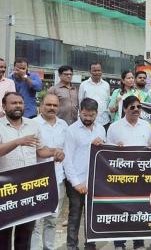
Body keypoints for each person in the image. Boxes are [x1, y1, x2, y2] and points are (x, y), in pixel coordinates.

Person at [0, 92, 64, 250]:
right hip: (6, 189)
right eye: (13, 103)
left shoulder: (32, 125)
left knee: (25, 233)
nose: (17, 106)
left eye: (20, 103)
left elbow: (40, 151)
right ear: (4, 106)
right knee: (4, 234)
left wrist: (55, 152)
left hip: (28, 188)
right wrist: (17, 142)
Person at [106, 95, 150, 250]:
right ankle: (119, 243)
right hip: (121, 176)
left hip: (141, 176)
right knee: (121, 209)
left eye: (139, 107)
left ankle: (139, 243)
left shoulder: (146, 126)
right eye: (132, 107)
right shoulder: (114, 127)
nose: (136, 110)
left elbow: (147, 148)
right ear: (124, 109)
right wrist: (114, 146)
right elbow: (106, 152)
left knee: (140, 209)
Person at [63, 98, 106, 250]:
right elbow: (66, 158)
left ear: (97, 114)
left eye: (91, 115)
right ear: (80, 112)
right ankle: (71, 246)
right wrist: (76, 183)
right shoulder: (71, 130)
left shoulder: (101, 129)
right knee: (75, 215)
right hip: (76, 180)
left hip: (94, 180)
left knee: (92, 215)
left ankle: (90, 244)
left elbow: (103, 154)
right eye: (84, 115)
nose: (87, 118)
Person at [31, 94, 68, 250]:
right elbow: (33, 151)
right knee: (35, 222)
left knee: (52, 219)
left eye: (55, 105)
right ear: (41, 105)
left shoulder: (64, 125)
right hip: (36, 179)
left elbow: (67, 150)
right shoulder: (32, 124)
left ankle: (49, 248)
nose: (52, 108)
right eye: (48, 105)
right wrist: (54, 151)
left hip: (57, 178)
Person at [78, 62, 111, 128]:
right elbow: (80, 103)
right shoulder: (84, 85)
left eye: (99, 70)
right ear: (90, 71)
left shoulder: (106, 85)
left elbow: (107, 101)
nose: (97, 72)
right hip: (88, 121)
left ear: (102, 71)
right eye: (94, 71)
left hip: (104, 121)